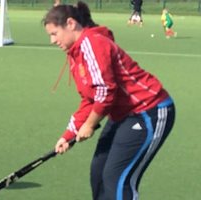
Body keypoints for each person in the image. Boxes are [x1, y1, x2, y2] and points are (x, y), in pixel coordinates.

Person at [43, 2, 176, 199]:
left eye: (54, 33)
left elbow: (106, 91)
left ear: (70, 24)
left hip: (149, 111)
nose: (52, 40)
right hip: (122, 114)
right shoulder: (75, 54)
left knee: (117, 179)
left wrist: (89, 125)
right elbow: (90, 99)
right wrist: (69, 134)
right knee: (99, 173)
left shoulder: (92, 43)